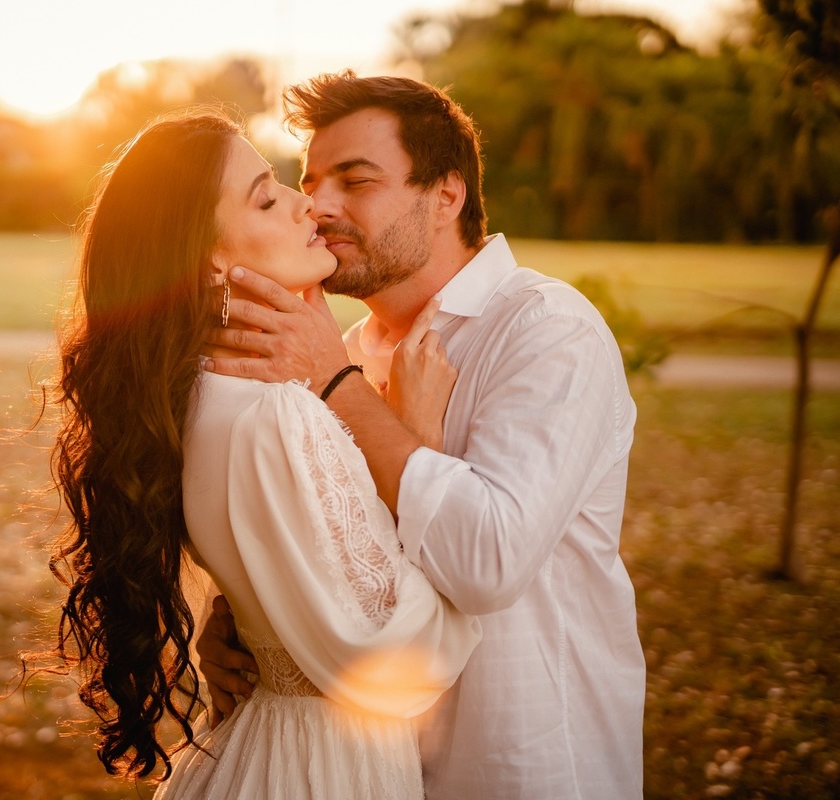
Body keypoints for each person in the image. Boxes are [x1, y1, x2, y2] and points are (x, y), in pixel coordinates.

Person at [201, 71, 646, 798]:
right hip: (371, 772)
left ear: (446, 195)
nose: (320, 205)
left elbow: (488, 561)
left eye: (358, 179)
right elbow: (339, 545)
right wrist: (256, 621)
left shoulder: (545, 329)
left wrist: (337, 387)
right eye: (312, 181)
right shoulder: (338, 345)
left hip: (516, 765)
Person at [46, 111, 482, 798]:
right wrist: (419, 438)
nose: (306, 203)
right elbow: (394, 656)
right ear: (210, 257)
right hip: (320, 769)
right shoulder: (276, 414)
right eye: (266, 196)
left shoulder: (194, 395)